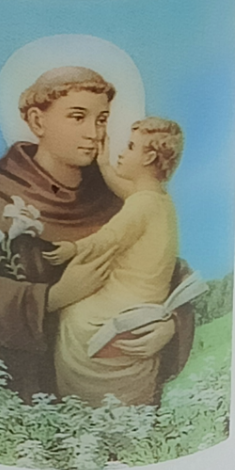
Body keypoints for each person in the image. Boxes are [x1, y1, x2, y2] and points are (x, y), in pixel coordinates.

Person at [0, 68, 195, 404]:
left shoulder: (116, 194)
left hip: (118, 382)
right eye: (78, 117)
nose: (94, 133)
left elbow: (162, 264)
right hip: (28, 392)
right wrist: (53, 297)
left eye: (102, 119)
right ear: (38, 122)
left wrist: (169, 324)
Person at [45, 118, 185, 408]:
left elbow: (110, 237)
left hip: (125, 302)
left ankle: (82, 402)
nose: (123, 152)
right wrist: (105, 165)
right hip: (145, 298)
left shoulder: (142, 205)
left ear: (148, 157)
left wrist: (74, 248)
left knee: (76, 317)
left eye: (130, 147)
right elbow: (126, 191)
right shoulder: (158, 199)